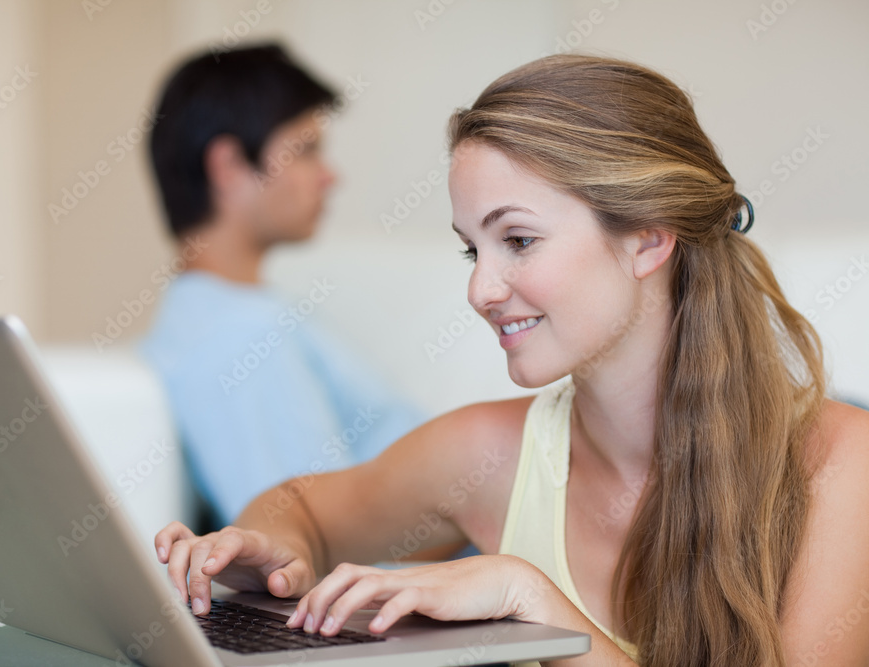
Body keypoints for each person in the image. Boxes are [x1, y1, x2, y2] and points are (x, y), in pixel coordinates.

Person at [154, 54, 869, 666]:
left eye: (518, 240)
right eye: (473, 248)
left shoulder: (841, 467)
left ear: (649, 239)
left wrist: (529, 597)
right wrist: (267, 547)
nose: (480, 289)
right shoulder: (485, 454)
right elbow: (297, 505)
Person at [140, 44, 425, 528]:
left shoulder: (225, 319)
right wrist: (483, 504)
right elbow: (321, 542)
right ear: (228, 165)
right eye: (307, 149)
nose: (330, 176)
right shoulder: (239, 340)